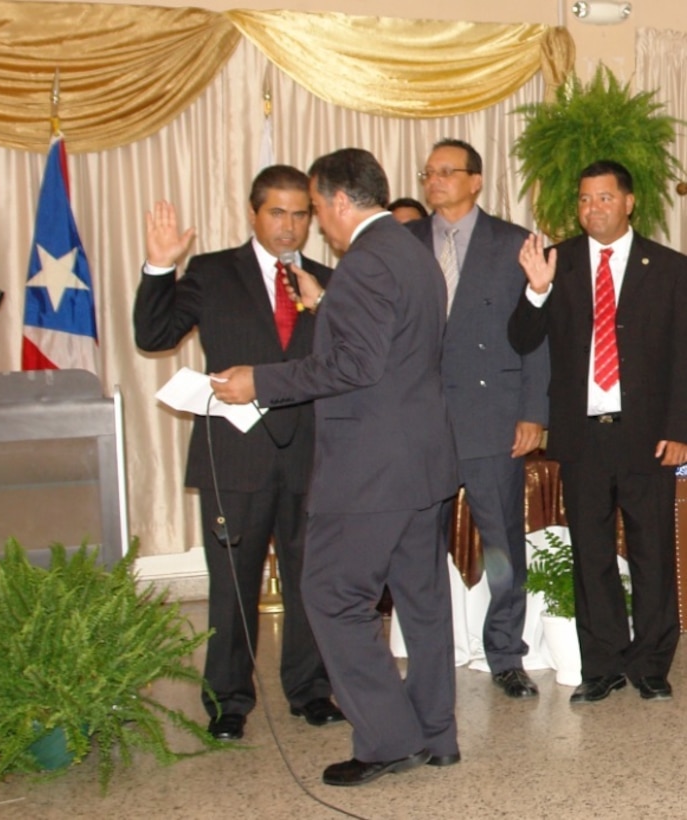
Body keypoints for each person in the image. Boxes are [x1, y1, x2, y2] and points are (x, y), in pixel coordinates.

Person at [212, 148, 460, 786]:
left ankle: (387, 739)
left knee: (330, 596)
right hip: (420, 462)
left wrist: (257, 381)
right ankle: (436, 734)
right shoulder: (412, 253)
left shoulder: (366, 264)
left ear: (340, 201)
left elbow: (354, 367)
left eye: (318, 207)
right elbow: (393, 349)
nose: (318, 222)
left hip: (370, 470)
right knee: (423, 603)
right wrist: (330, 306)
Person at [133, 165, 342, 741]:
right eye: (278, 212)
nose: (290, 226)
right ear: (254, 213)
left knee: (311, 579)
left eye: (301, 214)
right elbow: (153, 336)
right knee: (231, 583)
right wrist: (159, 266)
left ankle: (311, 689)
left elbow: (350, 361)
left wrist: (323, 305)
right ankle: (228, 699)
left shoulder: (325, 279)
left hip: (310, 454)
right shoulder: (211, 271)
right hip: (235, 454)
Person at [509, 159, 687, 704]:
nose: (594, 209)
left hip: (648, 434)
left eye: (605, 198)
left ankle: (652, 664)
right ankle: (603, 664)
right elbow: (521, 338)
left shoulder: (671, 267)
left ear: (629, 202)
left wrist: (680, 428)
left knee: (652, 549)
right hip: (582, 435)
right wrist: (536, 291)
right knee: (589, 552)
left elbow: (683, 354)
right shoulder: (555, 263)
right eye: (585, 200)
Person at [408, 138, 549, 699]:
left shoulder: (514, 244)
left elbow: (536, 339)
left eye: (447, 171)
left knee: (501, 544)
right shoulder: (404, 243)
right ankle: (430, 653)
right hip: (419, 421)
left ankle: (505, 653)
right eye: (429, 172)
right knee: (418, 544)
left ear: (476, 180)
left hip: (492, 416)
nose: (435, 180)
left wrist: (533, 413)